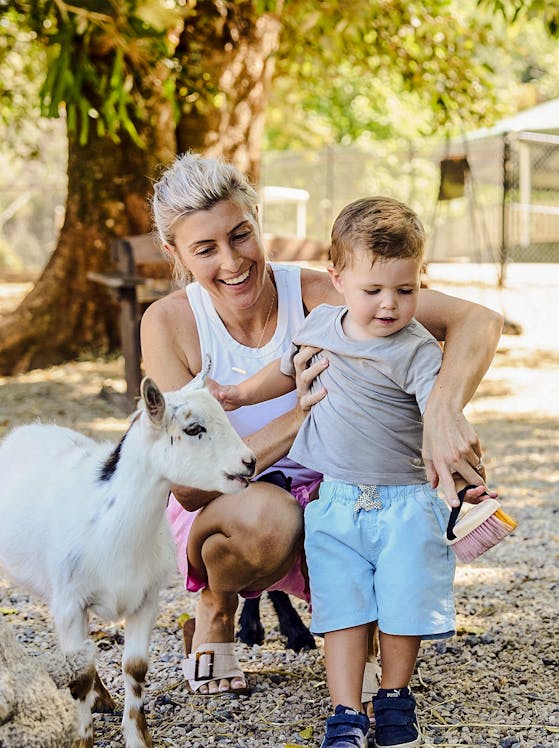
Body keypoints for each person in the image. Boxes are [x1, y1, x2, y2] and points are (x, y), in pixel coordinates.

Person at [140, 152, 503, 706]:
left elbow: (477, 320)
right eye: (205, 249)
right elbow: (189, 486)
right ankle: (215, 603)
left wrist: (442, 415)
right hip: (232, 505)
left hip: (342, 489)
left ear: (259, 223)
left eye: (241, 235)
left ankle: (353, 631)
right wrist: (298, 419)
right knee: (270, 518)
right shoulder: (167, 324)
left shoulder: (323, 293)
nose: (233, 261)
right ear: (175, 254)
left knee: (393, 541)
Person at [208, 196, 494, 748]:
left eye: (405, 290)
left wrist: (464, 478)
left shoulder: (417, 352)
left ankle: (393, 697)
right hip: (336, 500)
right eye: (374, 291)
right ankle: (344, 710)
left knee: (402, 603)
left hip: (406, 501)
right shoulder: (319, 326)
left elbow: (443, 421)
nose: (390, 305)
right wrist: (241, 393)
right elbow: (284, 371)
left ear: (419, 282)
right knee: (342, 607)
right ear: (337, 280)